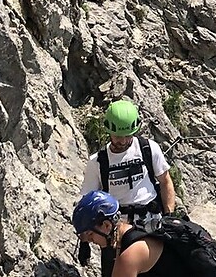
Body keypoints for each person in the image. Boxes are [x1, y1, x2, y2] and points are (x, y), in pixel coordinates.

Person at [79, 99, 178, 275]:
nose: (123, 141)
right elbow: (88, 204)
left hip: (152, 223)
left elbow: (165, 182)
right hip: (115, 232)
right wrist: (84, 241)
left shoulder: (148, 148)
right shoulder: (98, 162)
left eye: (128, 135)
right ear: (108, 130)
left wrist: (169, 216)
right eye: (118, 136)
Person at [72, 190, 187, 277]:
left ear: (106, 225)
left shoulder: (130, 256)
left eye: (90, 234)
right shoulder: (133, 234)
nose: (89, 240)